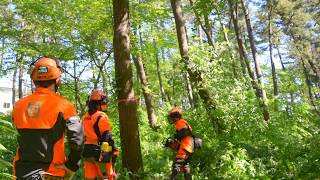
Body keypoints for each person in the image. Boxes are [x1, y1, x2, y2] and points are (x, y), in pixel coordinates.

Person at [12, 56, 84, 179]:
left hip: (20, 173)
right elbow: (77, 141)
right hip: (50, 173)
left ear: (34, 80)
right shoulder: (64, 105)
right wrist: (72, 166)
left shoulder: (18, 105)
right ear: (57, 81)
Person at [82, 89, 118, 180]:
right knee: (107, 177)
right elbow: (106, 136)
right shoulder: (101, 116)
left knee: (90, 177)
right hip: (100, 151)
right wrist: (113, 151)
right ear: (100, 103)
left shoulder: (85, 117)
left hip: (87, 151)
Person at [165, 107, 193, 180]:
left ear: (176, 117)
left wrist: (176, 137)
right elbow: (184, 135)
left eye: (172, 117)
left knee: (177, 164)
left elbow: (184, 132)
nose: (171, 119)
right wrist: (174, 142)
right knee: (185, 166)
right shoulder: (182, 122)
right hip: (188, 146)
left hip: (186, 146)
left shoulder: (179, 122)